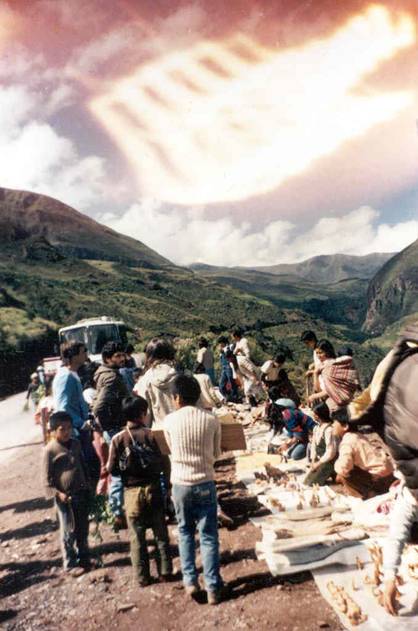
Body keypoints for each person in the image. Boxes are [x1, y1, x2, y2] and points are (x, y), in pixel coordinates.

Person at [164, 374, 224, 605]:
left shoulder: (169, 421)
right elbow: (217, 454)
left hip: (180, 484)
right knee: (209, 536)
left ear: (176, 397)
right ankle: (213, 587)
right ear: (198, 395)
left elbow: (172, 451)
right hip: (205, 482)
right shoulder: (211, 419)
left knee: (185, 532)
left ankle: (190, 581)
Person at [107, 396, 172, 586]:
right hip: (153, 489)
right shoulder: (152, 435)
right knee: (160, 533)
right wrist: (167, 485)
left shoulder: (118, 439)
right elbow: (165, 463)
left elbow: (111, 468)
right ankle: (166, 570)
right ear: (143, 414)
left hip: (131, 492)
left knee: (137, 537)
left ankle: (142, 577)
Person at [43, 411, 91, 572]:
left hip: (81, 493)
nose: (66, 432)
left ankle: (84, 558)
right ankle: (70, 563)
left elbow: (82, 465)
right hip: (65, 498)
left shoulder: (76, 444)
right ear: (53, 431)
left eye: (69, 428)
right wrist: (59, 493)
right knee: (68, 530)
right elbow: (46, 481)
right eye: (62, 429)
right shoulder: (49, 450)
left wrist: (88, 483)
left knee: (83, 527)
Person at [93, 341, 129, 528]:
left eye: (123, 355)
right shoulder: (111, 378)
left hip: (112, 427)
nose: (122, 358)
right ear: (108, 359)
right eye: (118, 356)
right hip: (115, 428)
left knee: (118, 469)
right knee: (118, 471)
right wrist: (108, 424)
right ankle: (117, 513)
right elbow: (99, 405)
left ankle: (118, 510)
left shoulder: (104, 373)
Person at [332, 409, 394, 499]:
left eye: (334, 422)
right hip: (389, 474)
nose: (332, 425)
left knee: (342, 475)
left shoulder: (347, 441)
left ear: (345, 426)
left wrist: (338, 473)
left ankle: (368, 495)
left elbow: (342, 468)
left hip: (379, 478)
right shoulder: (359, 436)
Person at [134, 338, 178, 428]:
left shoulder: (145, 379)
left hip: (159, 431)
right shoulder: (180, 375)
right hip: (181, 430)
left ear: (149, 356)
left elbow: (146, 413)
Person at [308, 340, 360, 412]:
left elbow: (329, 390)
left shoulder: (329, 367)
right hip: (336, 400)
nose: (318, 356)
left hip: (334, 403)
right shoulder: (323, 366)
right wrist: (315, 373)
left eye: (321, 353)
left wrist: (314, 396)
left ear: (327, 352)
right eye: (317, 353)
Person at [52, 342, 89, 435]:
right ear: (73, 356)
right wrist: (81, 424)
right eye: (83, 351)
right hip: (72, 431)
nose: (86, 354)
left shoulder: (72, 373)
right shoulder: (65, 377)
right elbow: (62, 407)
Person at [304, 403, 338, 486]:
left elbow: (331, 452)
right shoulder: (317, 428)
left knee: (310, 484)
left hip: (329, 461)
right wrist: (313, 461)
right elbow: (313, 446)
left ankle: (333, 473)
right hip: (320, 460)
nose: (313, 415)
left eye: (314, 414)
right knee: (306, 481)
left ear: (319, 415)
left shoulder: (329, 430)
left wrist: (318, 463)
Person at [217, 337, 238, 402]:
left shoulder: (229, 347)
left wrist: (224, 351)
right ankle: (227, 396)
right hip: (224, 368)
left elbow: (228, 355)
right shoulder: (221, 350)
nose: (220, 345)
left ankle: (234, 397)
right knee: (221, 385)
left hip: (229, 367)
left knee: (232, 382)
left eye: (220, 343)